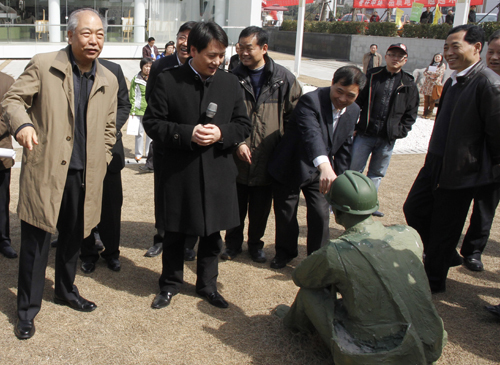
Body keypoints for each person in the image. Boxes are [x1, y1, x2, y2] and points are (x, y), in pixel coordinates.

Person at [1, 8, 118, 340]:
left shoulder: (108, 79)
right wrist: (22, 124)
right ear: (69, 35)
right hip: (48, 170)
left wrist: (105, 156)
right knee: (37, 241)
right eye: (86, 33)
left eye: (99, 34)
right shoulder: (43, 64)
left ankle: (66, 290)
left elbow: (110, 128)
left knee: (73, 237)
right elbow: (13, 100)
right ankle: (26, 310)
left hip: (86, 174)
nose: (94, 40)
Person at [275, 171, 447, 364]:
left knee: (309, 294)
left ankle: (293, 322)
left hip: (377, 355)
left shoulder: (337, 252)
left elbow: (301, 277)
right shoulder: (409, 234)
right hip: (431, 341)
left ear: (337, 213)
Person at [143, 21, 251, 309]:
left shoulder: (230, 83)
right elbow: (152, 123)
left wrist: (222, 133)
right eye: (211, 55)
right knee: (175, 232)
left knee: (212, 234)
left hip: (218, 170)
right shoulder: (168, 79)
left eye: (221, 55)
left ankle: (207, 285)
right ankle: (169, 284)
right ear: (192, 51)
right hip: (179, 170)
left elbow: (243, 125)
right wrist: (187, 133)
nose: (218, 61)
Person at [403, 25, 500, 294]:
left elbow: (496, 135)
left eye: (455, 46)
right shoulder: (453, 80)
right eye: (446, 47)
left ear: (476, 47)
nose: (448, 53)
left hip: (461, 170)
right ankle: (443, 255)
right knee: (414, 209)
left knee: (446, 226)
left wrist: (486, 172)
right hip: (435, 162)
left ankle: (434, 281)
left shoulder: (489, 84)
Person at [268, 66, 366, 269]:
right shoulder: (311, 100)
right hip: (291, 164)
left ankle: (318, 258)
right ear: (332, 82)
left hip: (321, 171)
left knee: (321, 214)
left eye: (350, 95)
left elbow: (344, 146)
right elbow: (312, 135)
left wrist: (342, 176)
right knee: (286, 213)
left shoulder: (354, 110)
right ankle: (285, 253)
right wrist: (325, 166)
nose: (342, 98)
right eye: (339, 91)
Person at [220, 26, 302, 263]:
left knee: (261, 208)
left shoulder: (284, 79)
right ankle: (232, 243)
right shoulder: (232, 78)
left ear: (264, 49)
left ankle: (255, 244)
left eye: (249, 48)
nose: (243, 52)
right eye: (240, 47)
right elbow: (225, 117)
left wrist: (282, 149)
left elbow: (295, 118)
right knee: (235, 204)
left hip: (269, 157)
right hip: (237, 156)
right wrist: (237, 142)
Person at [143, 21, 198, 261]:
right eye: (181, 37)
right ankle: (161, 237)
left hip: (194, 141)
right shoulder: (161, 66)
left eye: (190, 37)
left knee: (192, 194)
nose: (184, 42)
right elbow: (151, 98)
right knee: (163, 193)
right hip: (166, 139)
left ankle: (188, 242)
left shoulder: (204, 66)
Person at [350, 43, 419, 218]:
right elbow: (358, 102)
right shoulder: (373, 76)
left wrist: (400, 131)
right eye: (392, 54)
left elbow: (411, 112)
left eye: (400, 56)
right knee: (354, 169)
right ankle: (348, 202)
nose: (395, 59)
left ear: (405, 60)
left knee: (376, 173)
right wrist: (354, 126)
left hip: (387, 138)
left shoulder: (408, 83)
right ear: (386, 56)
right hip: (365, 133)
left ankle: (367, 205)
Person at [79, 59, 132, 274]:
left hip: (110, 150)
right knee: (84, 205)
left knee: (111, 206)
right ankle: (88, 253)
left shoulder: (113, 69)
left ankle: (112, 253)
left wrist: (108, 128)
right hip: (81, 151)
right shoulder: (75, 71)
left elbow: (124, 105)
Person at [459, 30, 500, 272]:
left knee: (485, 207)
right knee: (456, 202)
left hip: (495, 159)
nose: (494, 57)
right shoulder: (474, 79)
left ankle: (473, 250)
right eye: (491, 52)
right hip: (468, 154)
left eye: (499, 54)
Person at [0, 71, 16, 259]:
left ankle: (3, 239)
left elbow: (10, 116)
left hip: (1, 153)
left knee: (2, 199)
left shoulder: (7, 82)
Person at [130, 57, 153, 161]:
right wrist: (132, 110)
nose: (148, 68)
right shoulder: (136, 79)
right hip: (139, 109)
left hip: (150, 110)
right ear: (142, 67)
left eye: (150, 66)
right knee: (139, 133)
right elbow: (132, 95)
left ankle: (148, 152)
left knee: (150, 133)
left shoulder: (154, 78)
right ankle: (138, 153)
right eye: (146, 66)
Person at [421, 53, 446, 119]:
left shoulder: (442, 65)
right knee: (426, 100)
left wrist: (430, 73)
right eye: (436, 57)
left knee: (432, 100)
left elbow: (439, 73)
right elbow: (425, 72)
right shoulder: (431, 65)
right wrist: (430, 75)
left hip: (434, 85)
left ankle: (429, 113)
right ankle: (424, 112)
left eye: (438, 57)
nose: (437, 58)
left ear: (441, 58)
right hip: (427, 85)